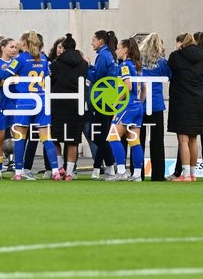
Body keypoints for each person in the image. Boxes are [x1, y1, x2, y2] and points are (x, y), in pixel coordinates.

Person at [6, 31, 62, 181]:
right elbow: (48, 76)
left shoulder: (20, 58)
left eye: (19, 41)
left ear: (24, 43)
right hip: (42, 101)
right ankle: (55, 171)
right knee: (46, 138)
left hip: (25, 101)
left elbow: (5, 75)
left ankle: (18, 172)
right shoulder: (43, 59)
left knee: (20, 138)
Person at [167, 33, 203, 182]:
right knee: (194, 139)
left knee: (183, 139)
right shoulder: (202, 57)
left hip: (181, 99)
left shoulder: (176, 56)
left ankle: (186, 174)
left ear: (180, 43)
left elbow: (169, 71)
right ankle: (193, 174)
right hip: (197, 99)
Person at [48, 33, 88, 180]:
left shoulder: (56, 64)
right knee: (73, 140)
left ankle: (59, 168)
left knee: (55, 138)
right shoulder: (83, 64)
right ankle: (70, 172)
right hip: (76, 104)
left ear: (63, 48)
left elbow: (51, 81)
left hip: (58, 103)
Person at [105, 38, 145, 181]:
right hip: (137, 107)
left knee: (113, 137)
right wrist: (138, 103)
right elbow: (144, 88)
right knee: (134, 141)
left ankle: (121, 171)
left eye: (118, 48)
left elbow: (128, 86)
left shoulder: (125, 65)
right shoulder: (137, 66)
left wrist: (116, 102)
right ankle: (137, 174)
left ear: (125, 50)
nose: (116, 51)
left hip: (127, 107)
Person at [85, 30, 118, 179]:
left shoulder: (103, 56)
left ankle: (108, 165)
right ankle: (100, 167)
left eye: (93, 40)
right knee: (101, 134)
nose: (92, 43)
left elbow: (96, 77)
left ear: (100, 41)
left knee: (97, 135)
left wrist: (88, 66)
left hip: (102, 99)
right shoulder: (110, 55)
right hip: (108, 98)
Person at [138, 33, 171, 181]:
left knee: (138, 141)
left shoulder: (138, 61)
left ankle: (137, 172)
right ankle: (158, 174)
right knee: (157, 141)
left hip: (140, 104)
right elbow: (169, 76)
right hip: (156, 104)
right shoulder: (162, 62)